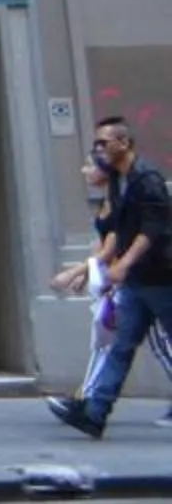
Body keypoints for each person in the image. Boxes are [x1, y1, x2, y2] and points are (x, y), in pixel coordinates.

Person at [52, 117, 172, 439]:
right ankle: (95, 413)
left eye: (103, 143)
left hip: (162, 278)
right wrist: (105, 269)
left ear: (124, 143)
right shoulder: (120, 181)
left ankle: (95, 410)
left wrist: (124, 264)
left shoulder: (147, 179)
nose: (98, 149)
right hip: (136, 282)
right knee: (120, 346)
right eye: (97, 144)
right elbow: (119, 231)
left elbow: (152, 230)